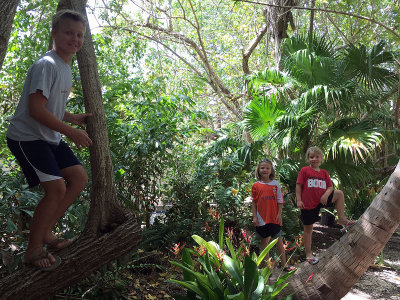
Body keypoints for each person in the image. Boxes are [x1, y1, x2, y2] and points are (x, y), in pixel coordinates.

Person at [6, 9, 92, 270]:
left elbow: (49, 105)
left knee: (79, 178)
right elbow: (35, 109)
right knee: (56, 189)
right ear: (54, 33)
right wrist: (72, 132)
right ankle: (32, 251)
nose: (74, 39)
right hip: (27, 137)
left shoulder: (65, 67)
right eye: (68, 32)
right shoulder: (47, 64)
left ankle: (45, 232)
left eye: (79, 35)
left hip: (48, 136)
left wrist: (72, 117)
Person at [296, 146, 355, 265]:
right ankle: (308, 253)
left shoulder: (324, 173)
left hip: (321, 200)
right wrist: (299, 200)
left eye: (317, 157)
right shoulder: (305, 170)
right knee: (308, 229)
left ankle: (342, 219)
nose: (314, 159)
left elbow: (330, 187)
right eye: (312, 157)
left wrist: (325, 195)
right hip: (308, 204)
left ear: (321, 158)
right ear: (308, 158)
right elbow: (298, 185)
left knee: (339, 193)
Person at [251, 159, 295, 272]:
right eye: (262, 168)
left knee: (279, 241)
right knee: (264, 243)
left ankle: (284, 265)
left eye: (267, 168)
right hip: (261, 219)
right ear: (258, 170)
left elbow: (280, 201)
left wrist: (279, 215)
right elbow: (254, 202)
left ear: (271, 170)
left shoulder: (275, 184)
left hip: (274, 218)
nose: (264, 170)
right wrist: (254, 217)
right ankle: (267, 268)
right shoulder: (255, 185)